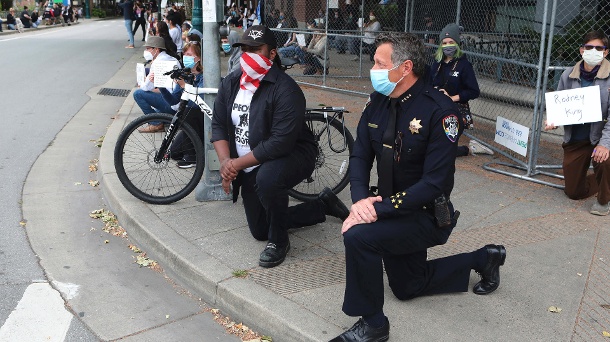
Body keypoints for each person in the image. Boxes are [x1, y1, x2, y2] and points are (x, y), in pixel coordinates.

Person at [330, 32, 506, 342]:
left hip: (425, 215)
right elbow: (360, 156)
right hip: (387, 210)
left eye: (379, 63)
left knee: (358, 238)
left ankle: (373, 325)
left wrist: (375, 210)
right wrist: (360, 203)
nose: (373, 69)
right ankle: (484, 258)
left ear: (405, 67)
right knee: (407, 287)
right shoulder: (379, 104)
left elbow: (434, 183)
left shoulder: (440, 112)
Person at [211, 25, 350, 268]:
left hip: (294, 154)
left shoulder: (286, 89)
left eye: (256, 49)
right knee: (259, 229)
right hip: (249, 163)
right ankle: (321, 205)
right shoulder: (231, 83)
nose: (248, 54)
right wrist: (225, 163)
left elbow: (279, 143)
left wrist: (235, 164)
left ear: (272, 54)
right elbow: (219, 125)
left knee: (268, 179)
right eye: (244, 49)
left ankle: (279, 242)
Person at [544, 30, 610, 216]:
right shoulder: (568, 75)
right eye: (589, 47)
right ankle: (603, 181)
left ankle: (604, 200)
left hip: (601, 137)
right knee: (573, 192)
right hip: (577, 139)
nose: (593, 51)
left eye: (599, 48)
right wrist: (553, 121)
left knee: (605, 160)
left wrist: (605, 145)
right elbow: (560, 107)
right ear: (582, 50)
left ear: (606, 52)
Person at [430, 23, 492, 157]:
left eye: (451, 42)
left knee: (442, 151)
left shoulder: (464, 65)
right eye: (444, 42)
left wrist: (452, 97)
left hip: (456, 110)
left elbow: (474, 91)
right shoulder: (436, 63)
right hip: (435, 107)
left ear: (457, 43)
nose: (447, 45)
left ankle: (470, 149)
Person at [158, 41, 206, 168]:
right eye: (185, 54)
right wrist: (161, 86)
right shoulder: (187, 74)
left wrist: (185, 86)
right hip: (191, 122)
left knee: (188, 111)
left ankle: (193, 157)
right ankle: (198, 149)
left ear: (199, 58)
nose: (186, 57)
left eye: (190, 54)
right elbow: (173, 101)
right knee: (174, 153)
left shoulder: (205, 76)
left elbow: (199, 102)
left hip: (203, 120)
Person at [132, 36, 180, 133]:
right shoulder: (172, 59)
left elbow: (146, 87)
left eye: (148, 49)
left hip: (172, 104)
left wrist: (142, 83)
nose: (146, 51)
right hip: (178, 102)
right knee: (155, 112)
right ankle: (162, 119)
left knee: (138, 94)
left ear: (156, 49)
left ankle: (156, 124)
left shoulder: (158, 62)